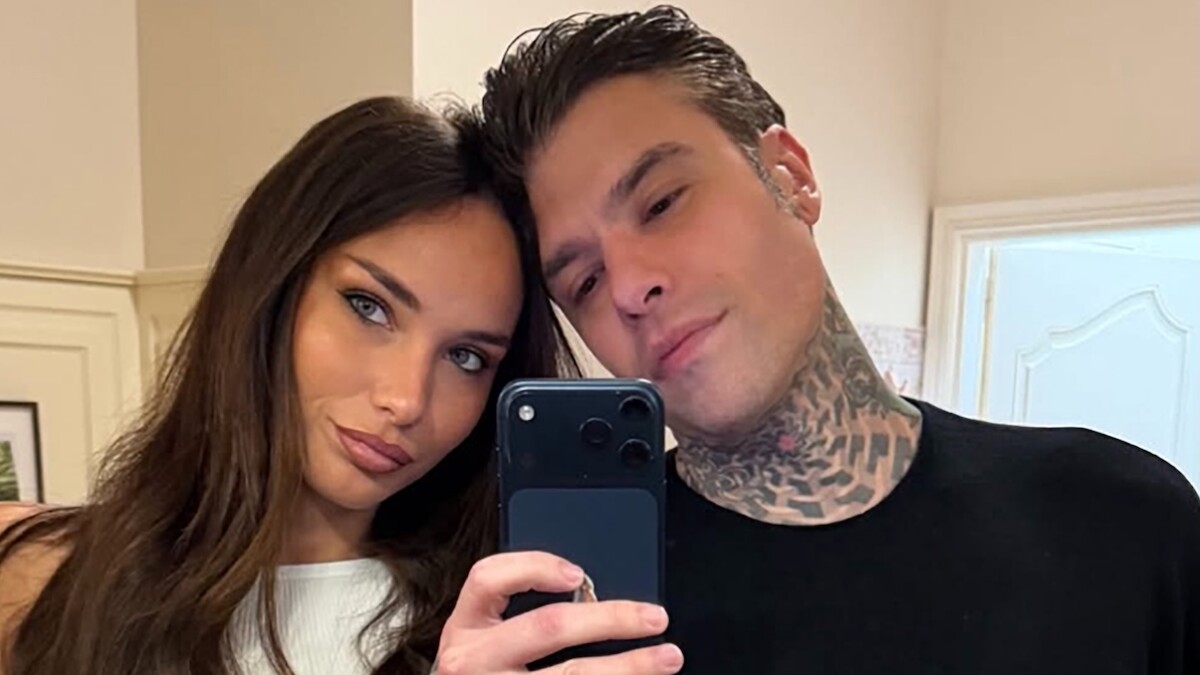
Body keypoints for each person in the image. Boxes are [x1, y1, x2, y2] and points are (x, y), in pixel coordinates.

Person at [432, 6, 1200, 674]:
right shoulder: (564, 607)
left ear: (790, 176)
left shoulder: (1122, 522)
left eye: (663, 202)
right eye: (585, 281)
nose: (630, 287)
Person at [0, 95, 579, 675]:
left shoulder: (504, 629)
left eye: (466, 357)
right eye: (369, 307)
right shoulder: (36, 578)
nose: (406, 400)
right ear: (273, 284)